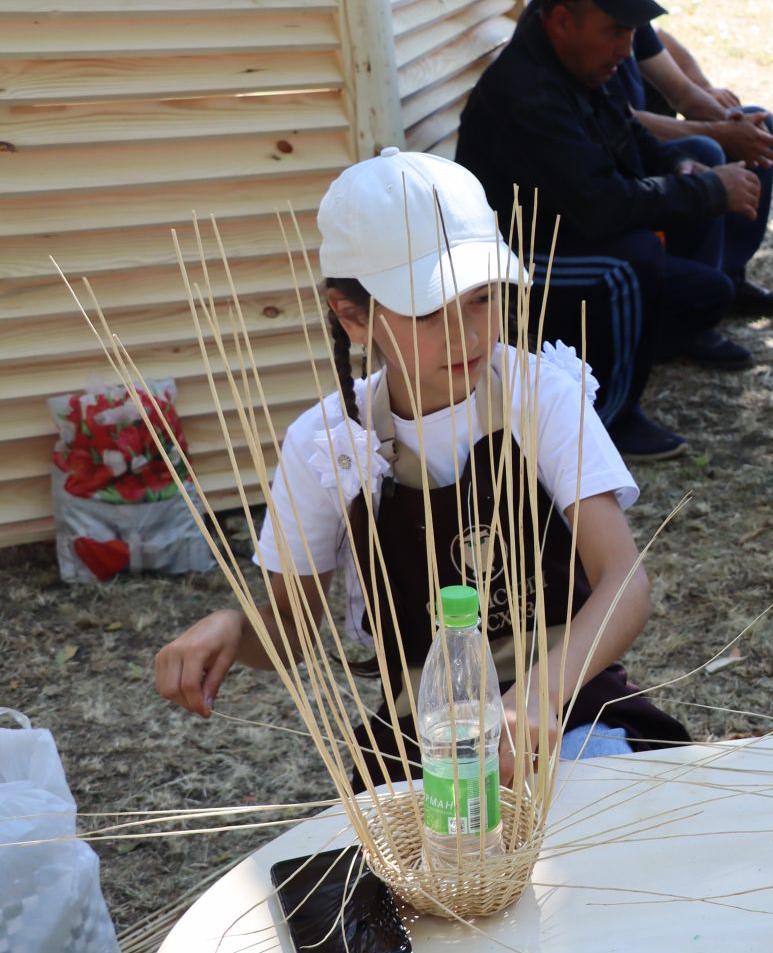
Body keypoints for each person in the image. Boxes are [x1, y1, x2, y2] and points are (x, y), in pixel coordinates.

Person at [152, 149, 688, 788]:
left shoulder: (538, 395)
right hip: (421, 738)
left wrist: (540, 694)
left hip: (569, 707)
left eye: (482, 299)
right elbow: (287, 636)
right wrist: (231, 626)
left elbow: (624, 581)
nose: (464, 335)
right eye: (430, 312)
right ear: (353, 317)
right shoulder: (325, 444)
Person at [458, 0, 773, 444]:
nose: (627, 48)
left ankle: (637, 351)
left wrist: (678, 165)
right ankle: (610, 416)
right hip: (515, 261)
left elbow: (629, 135)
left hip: (570, 233)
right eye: (615, 30)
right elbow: (603, 207)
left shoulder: (571, 66)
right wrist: (708, 188)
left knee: (711, 293)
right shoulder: (528, 92)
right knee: (629, 262)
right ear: (562, 20)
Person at [525, 0, 773, 315]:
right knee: (705, 151)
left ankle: (725, 280)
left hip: (625, 137)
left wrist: (732, 121)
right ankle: (695, 307)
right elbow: (606, 122)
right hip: (596, 161)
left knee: (754, 124)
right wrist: (717, 134)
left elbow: (679, 88)